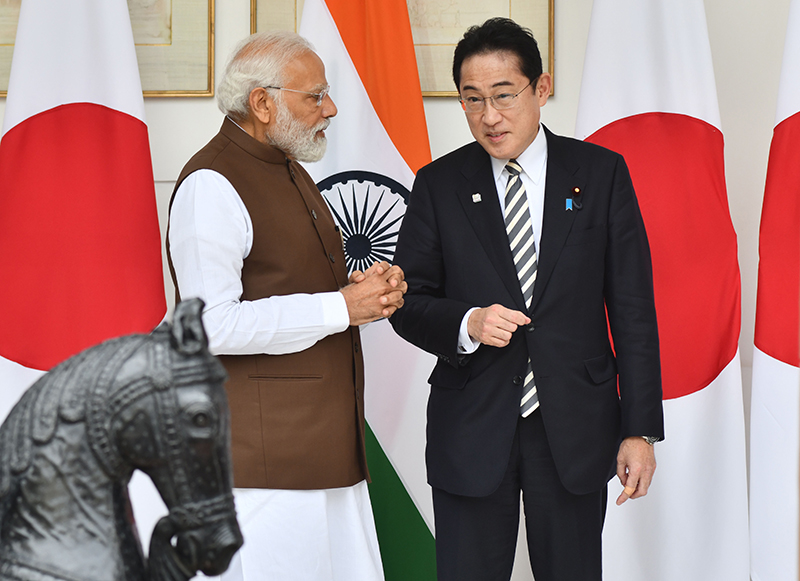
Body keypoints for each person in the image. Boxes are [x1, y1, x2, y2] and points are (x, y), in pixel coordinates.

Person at [389, 17, 664, 581]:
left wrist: (639, 430)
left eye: (503, 95)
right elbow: (407, 303)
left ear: (541, 87)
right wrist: (468, 322)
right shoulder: (438, 184)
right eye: (472, 99)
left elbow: (633, 310)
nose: (489, 116)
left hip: (575, 428)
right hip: (471, 427)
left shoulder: (601, 174)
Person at [167, 31, 406, 581]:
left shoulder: (288, 166)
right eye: (315, 96)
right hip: (263, 469)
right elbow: (210, 325)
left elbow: (289, 282)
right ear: (262, 103)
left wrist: (365, 290)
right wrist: (341, 307)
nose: (331, 108)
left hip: (321, 451)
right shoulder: (211, 184)